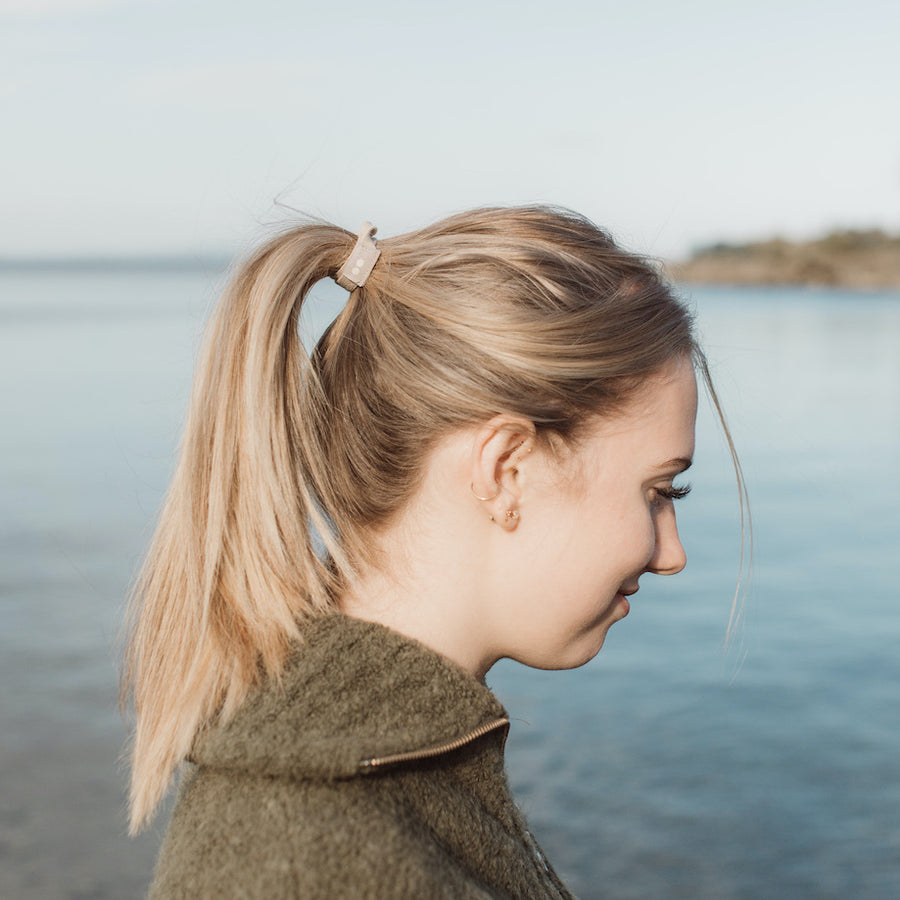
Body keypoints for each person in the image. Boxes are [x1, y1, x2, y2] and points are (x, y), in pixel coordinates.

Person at [122, 206, 734, 898]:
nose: (671, 554)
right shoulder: (304, 858)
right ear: (507, 469)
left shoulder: (392, 774)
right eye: (659, 491)